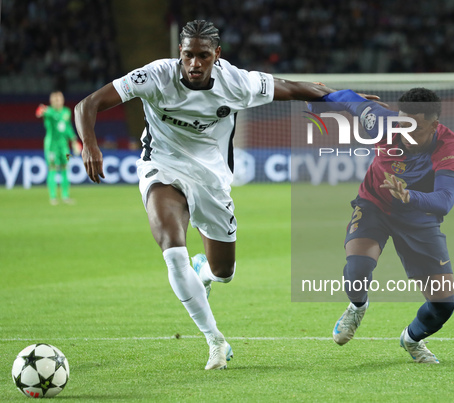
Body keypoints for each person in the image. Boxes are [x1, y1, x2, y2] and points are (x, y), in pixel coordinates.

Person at [74, 20, 378, 370]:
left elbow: (292, 88)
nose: (195, 64)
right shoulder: (155, 76)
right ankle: (215, 340)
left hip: (211, 178)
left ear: (217, 55)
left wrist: (348, 100)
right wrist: (89, 145)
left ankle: (206, 272)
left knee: (224, 272)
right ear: (180, 54)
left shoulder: (236, 82)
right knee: (173, 252)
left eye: (203, 56)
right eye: (188, 55)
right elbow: (88, 104)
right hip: (162, 166)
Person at [308, 87, 454, 363]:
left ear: (434, 125)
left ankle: (412, 339)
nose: (403, 132)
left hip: (419, 217)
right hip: (374, 205)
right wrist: (317, 105)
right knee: (358, 268)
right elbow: (344, 98)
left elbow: (444, 201)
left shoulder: (448, 145)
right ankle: (357, 306)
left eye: (413, 128)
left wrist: (410, 196)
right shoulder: (380, 122)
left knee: (443, 305)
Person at [36, 91, 80, 205]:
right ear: (51, 101)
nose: (58, 102)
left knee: (66, 167)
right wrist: (41, 111)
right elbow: (39, 112)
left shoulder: (66, 111)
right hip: (51, 146)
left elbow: (68, 127)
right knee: (52, 168)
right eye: (55, 100)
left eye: (59, 99)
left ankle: (65, 196)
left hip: (64, 146)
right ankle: (53, 197)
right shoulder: (49, 112)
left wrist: (74, 141)